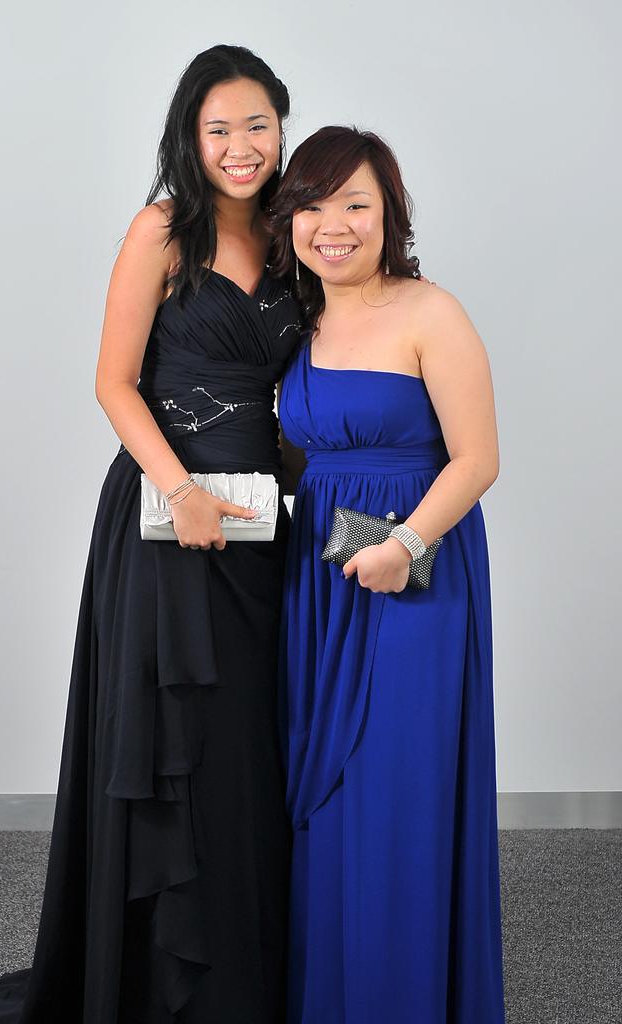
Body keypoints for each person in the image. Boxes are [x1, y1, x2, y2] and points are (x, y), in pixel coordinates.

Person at [0, 44, 302, 1024]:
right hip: (169, 527)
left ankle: (243, 984)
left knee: (252, 756)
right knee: (183, 752)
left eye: (257, 123)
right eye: (219, 128)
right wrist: (187, 488)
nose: (241, 144)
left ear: (282, 126)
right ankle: (161, 989)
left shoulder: (300, 232)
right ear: (190, 135)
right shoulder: (163, 229)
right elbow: (112, 380)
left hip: (267, 534)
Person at [270, 126, 506, 1023]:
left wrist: (403, 546)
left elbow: (477, 460)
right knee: (322, 796)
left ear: (389, 215)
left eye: (355, 205)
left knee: (393, 793)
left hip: (417, 575)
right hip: (321, 578)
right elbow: (305, 462)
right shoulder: (298, 321)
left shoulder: (430, 310)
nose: (334, 225)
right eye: (314, 206)